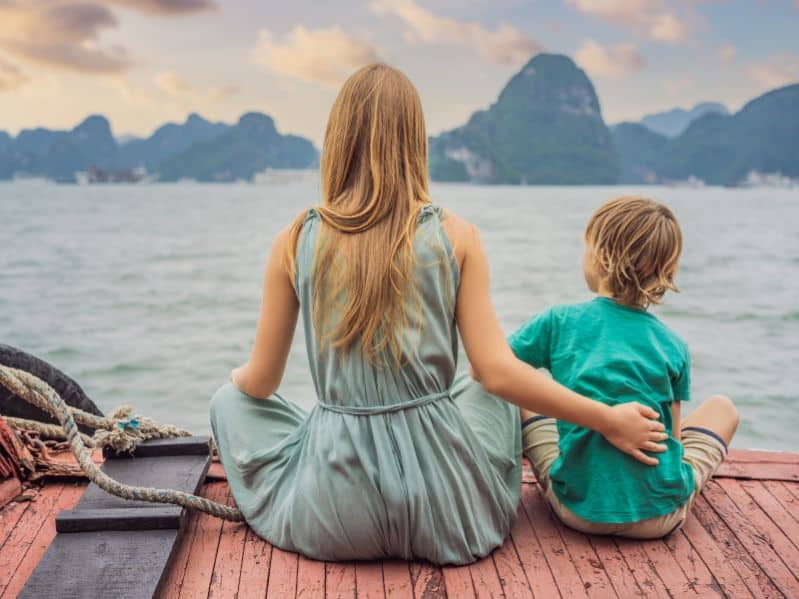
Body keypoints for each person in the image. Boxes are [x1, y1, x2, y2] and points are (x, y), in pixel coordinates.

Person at [209, 64, 667, 565]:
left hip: (333, 515)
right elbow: (496, 373)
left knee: (227, 401)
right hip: (449, 515)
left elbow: (260, 383)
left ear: (337, 140)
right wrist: (607, 419)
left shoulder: (295, 239)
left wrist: (237, 380)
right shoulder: (457, 235)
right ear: (415, 143)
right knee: (488, 383)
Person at [510, 196, 739, 538]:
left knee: (521, 394)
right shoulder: (673, 344)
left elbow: (496, 366)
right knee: (723, 408)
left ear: (599, 257)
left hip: (578, 509)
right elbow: (671, 440)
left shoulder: (558, 321)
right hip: (659, 517)